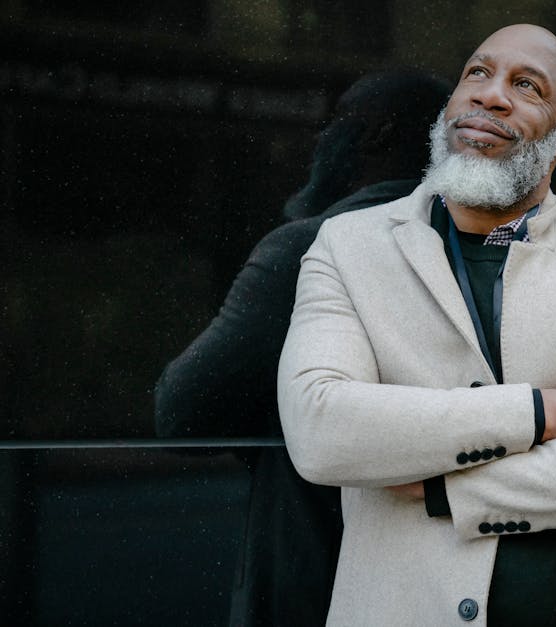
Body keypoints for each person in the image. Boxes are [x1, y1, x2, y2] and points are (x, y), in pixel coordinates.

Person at [278, 24, 556, 626]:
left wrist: (442, 489)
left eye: (525, 86)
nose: (491, 95)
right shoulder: (349, 246)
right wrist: (540, 413)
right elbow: (321, 430)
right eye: (477, 74)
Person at [154, 70, 451, 627]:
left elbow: (181, 413)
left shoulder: (307, 249)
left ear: (374, 134)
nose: (321, 142)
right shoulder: (473, 253)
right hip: (444, 588)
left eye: (336, 124)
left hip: (313, 583)